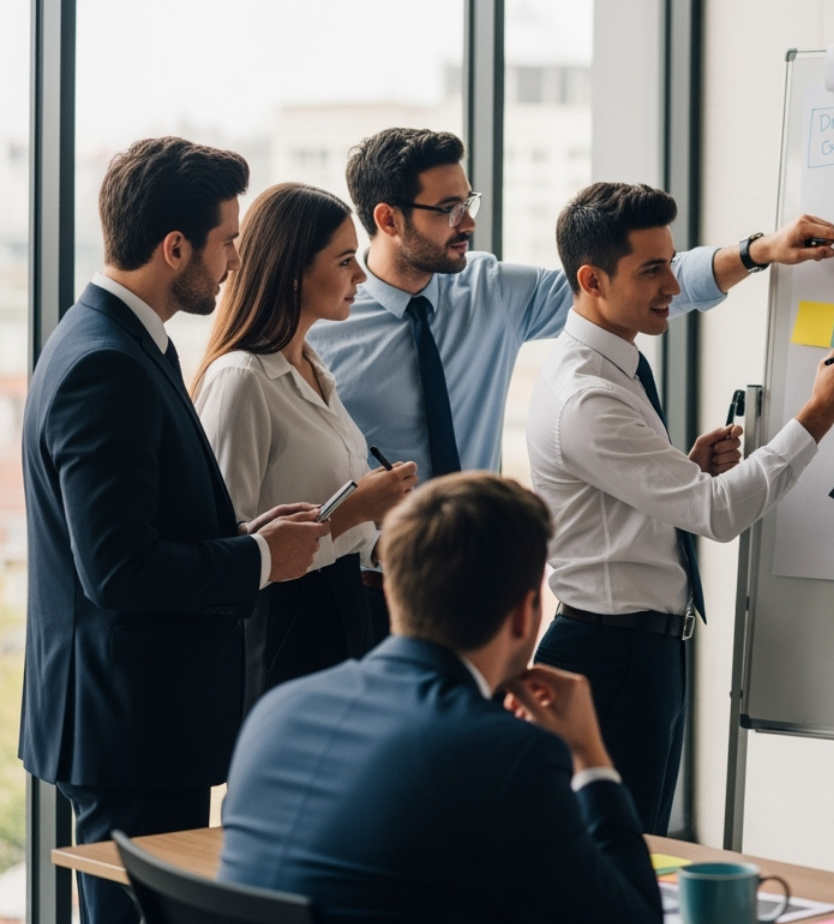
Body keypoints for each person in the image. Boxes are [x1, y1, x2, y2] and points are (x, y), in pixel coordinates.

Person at [19, 137, 331, 924]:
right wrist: (260, 559)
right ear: (174, 247)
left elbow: (143, 522)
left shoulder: (115, 342)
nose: (233, 262)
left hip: (135, 717)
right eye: (228, 241)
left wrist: (245, 531)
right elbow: (119, 570)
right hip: (132, 726)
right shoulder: (107, 365)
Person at [528, 182, 834, 833]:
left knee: (638, 851)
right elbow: (718, 515)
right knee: (619, 863)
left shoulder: (608, 364)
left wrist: (677, 472)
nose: (671, 284)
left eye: (671, 260)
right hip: (610, 659)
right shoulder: (588, 396)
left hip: (636, 650)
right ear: (591, 280)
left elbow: (615, 507)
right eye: (651, 270)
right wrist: (819, 413)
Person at [218, 472, 660, 923]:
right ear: (526, 616)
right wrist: (592, 760)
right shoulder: (508, 757)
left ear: (394, 591)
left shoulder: (276, 712)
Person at [309, 126, 834, 483]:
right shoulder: (319, 327)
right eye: (448, 209)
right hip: (367, 584)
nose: (468, 222)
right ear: (387, 220)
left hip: (473, 579)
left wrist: (759, 252)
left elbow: (626, 287)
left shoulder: (489, 290)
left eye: (467, 202)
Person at [193, 183, 419, 710]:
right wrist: (357, 505)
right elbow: (226, 544)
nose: (361, 275)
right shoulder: (241, 379)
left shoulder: (314, 368)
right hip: (285, 628)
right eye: (345, 261)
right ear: (292, 271)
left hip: (345, 606)